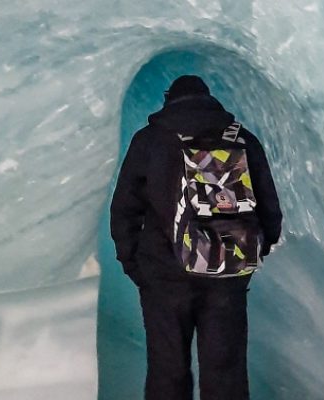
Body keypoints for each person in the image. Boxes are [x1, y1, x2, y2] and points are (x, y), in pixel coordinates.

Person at [110, 75, 282, 400]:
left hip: (164, 275)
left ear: (168, 100)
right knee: (225, 373)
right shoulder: (242, 140)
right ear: (209, 99)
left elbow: (124, 210)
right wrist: (246, 255)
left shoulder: (150, 140)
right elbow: (269, 210)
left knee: (168, 370)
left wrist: (135, 265)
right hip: (226, 275)